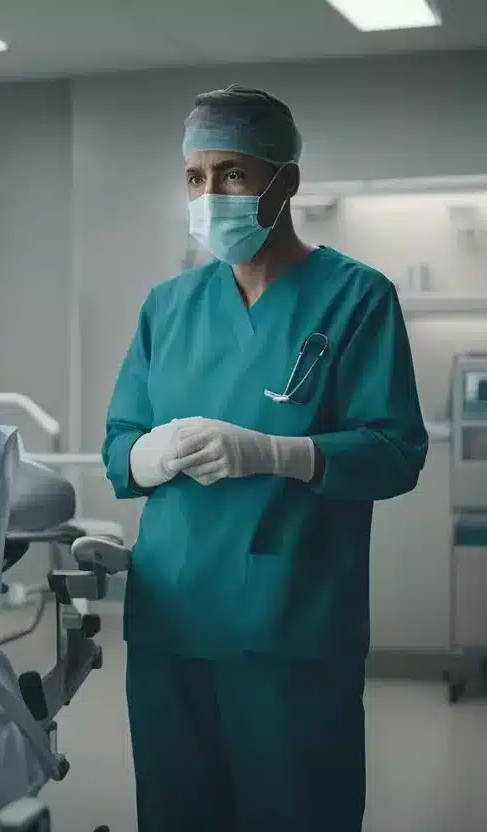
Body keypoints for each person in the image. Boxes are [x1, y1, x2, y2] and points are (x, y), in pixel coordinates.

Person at [103, 86, 428, 832]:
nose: (210, 194)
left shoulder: (355, 298)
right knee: (179, 812)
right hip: (170, 623)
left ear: (287, 181)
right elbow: (119, 446)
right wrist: (146, 456)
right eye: (195, 177)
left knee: (297, 810)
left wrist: (281, 453)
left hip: (291, 627)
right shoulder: (168, 307)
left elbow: (395, 452)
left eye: (234, 175)